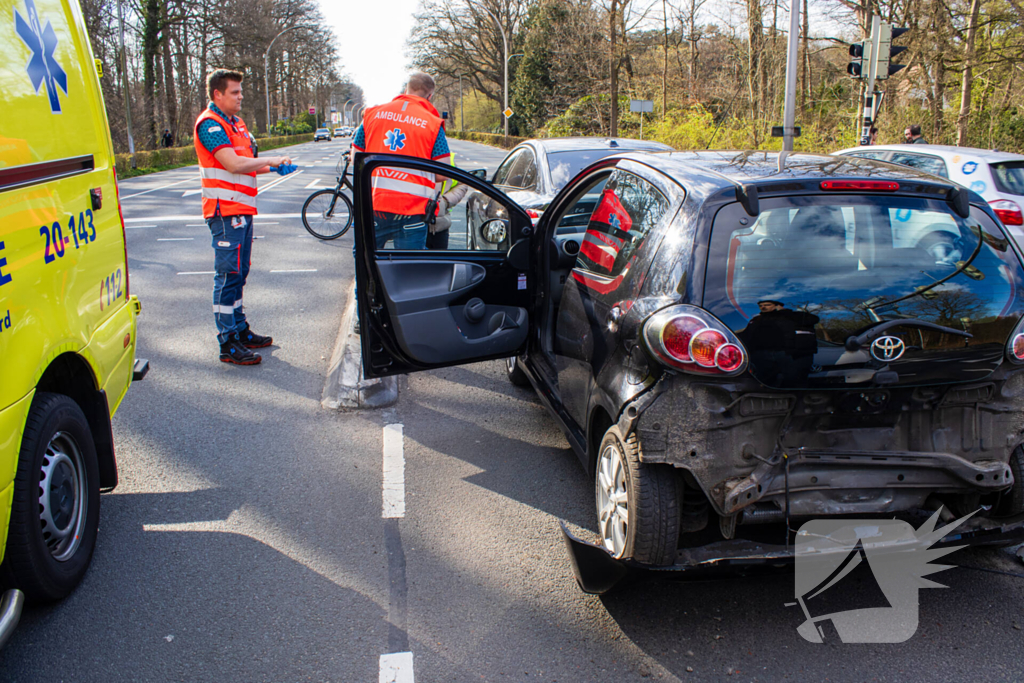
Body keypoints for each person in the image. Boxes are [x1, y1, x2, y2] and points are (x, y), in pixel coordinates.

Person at [194, 68, 296, 365]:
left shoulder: (236, 124)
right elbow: (234, 164)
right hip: (223, 212)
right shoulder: (210, 125)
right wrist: (272, 159)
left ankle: (239, 329)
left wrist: (273, 169)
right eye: (235, 92)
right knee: (227, 277)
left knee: (239, 273)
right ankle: (227, 343)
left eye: (241, 91)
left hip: (241, 209)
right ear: (217, 94)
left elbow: (247, 164)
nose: (241, 97)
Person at [350, 72, 451, 249]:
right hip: (412, 210)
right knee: (409, 268)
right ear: (430, 96)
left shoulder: (373, 115)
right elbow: (443, 172)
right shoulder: (432, 124)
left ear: (406, 89)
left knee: (365, 260)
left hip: (374, 204)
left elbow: (355, 158)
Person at [739, 300, 820, 387]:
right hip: (762, 355)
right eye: (760, 305)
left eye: (767, 305)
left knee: (794, 381)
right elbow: (746, 335)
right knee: (765, 382)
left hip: (789, 354)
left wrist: (784, 312)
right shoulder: (756, 320)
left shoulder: (791, 316)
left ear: (778, 306)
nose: (763, 307)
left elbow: (813, 319)